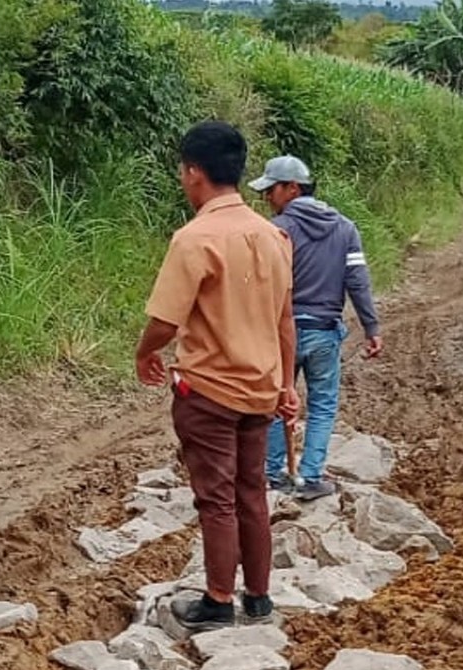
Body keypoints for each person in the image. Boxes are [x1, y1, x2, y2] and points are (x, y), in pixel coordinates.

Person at [136, 121, 299, 630]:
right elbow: (284, 320)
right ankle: (259, 597)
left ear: (193, 173)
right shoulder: (273, 236)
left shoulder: (194, 238)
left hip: (208, 391)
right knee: (252, 491)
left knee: (215, 498)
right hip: (260, 390)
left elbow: (165, 320)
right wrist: (287, 385)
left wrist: (145, 353)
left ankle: (217, 599)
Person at [248, 155, 383, 500]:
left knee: (278, 399)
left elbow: (257, 284)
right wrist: (372, 328)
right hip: (325, 330)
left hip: (283, 332)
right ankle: (310, 477)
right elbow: (358, 282)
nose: (267, 198)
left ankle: (272, 472)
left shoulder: (278, 230)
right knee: (322, 404)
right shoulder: (346, 228)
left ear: (292, 188)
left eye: (272, 190)